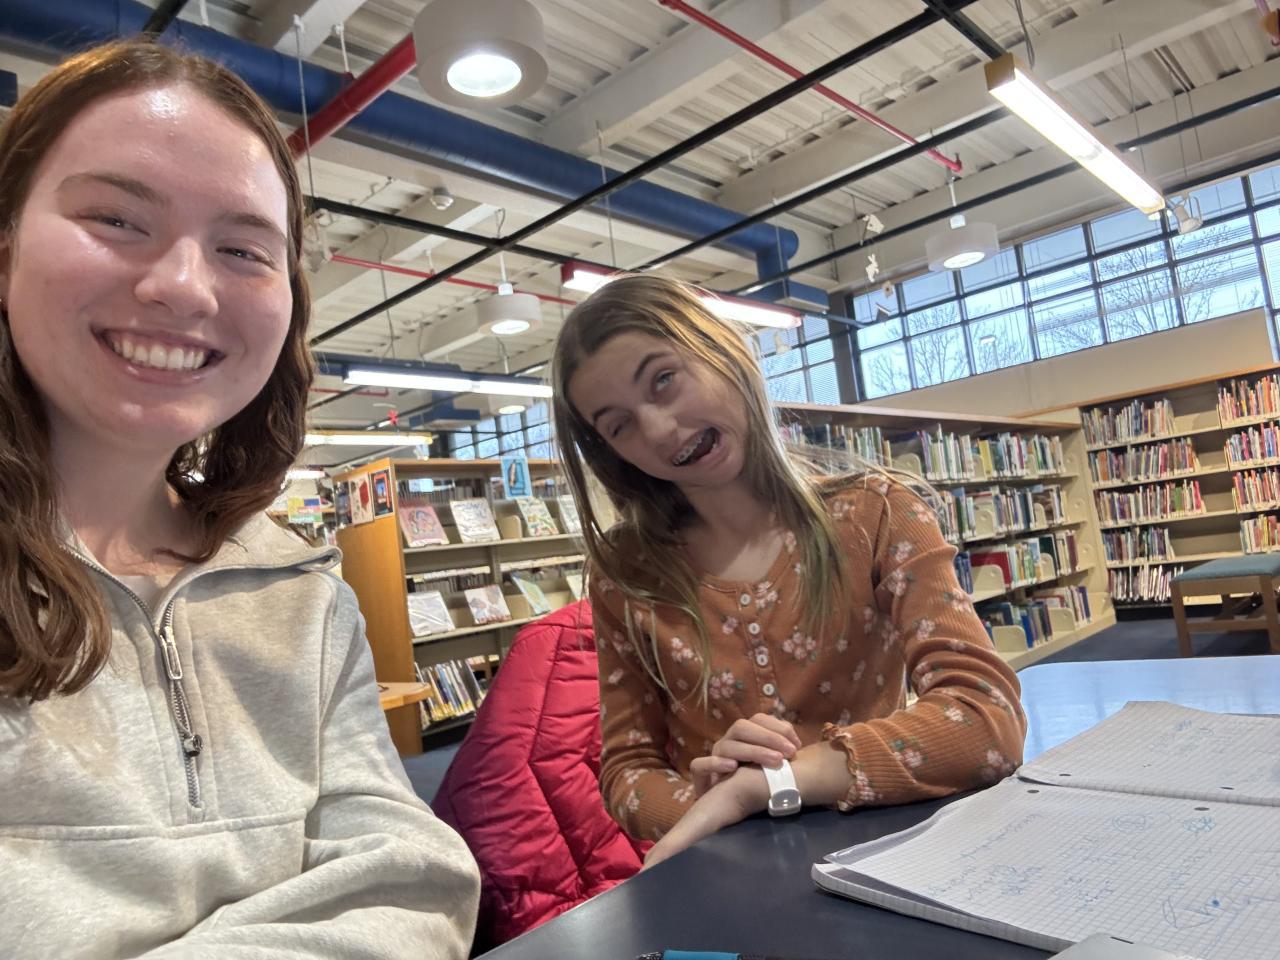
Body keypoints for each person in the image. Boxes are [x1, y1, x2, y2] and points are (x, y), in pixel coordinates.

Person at [0, 41, 479, 957]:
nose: (183, 287)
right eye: (116, 218)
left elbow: (414, 881)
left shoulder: (301, 592)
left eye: (242, 249)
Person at [550, 274, 1027, 867]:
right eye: (618, 425)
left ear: (721, 349)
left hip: (883, 857)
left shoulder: (877, 514)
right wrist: (714, 801)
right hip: (731, 872)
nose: (659, 430)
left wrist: (771, 785)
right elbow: (626, 770)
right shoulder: (627, 573)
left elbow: (987, 719)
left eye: (664, 379)